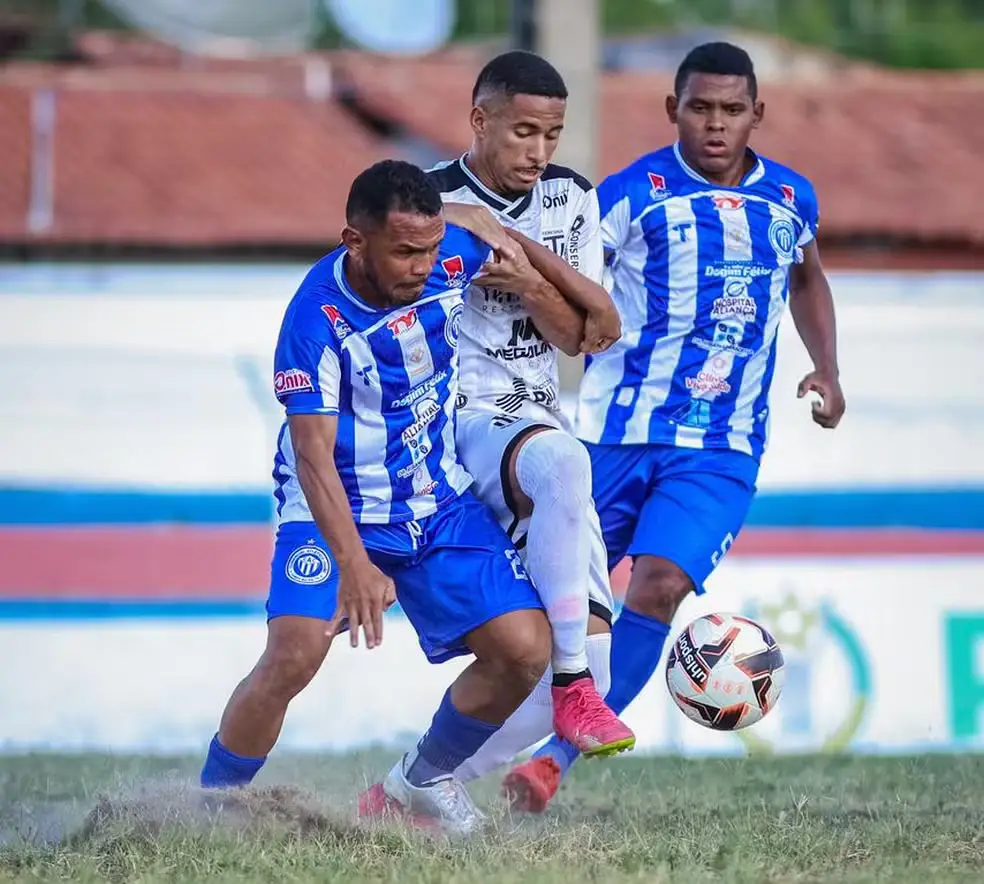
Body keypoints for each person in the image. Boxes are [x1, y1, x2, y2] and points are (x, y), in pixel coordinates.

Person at [504, 41, 847, 811]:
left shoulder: (792, 200)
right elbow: (573, 280)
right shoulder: (631, 195)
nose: (716, 125)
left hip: (722, 450)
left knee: (656, 589)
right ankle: (448, 761)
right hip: (614, 438)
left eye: (732, 111)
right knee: (539, 616)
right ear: (674, 111)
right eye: (700, 108)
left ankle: (553, 764)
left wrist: (827, 367)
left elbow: (808, 277)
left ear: (757, 114)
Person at [198, 159, 556, 837]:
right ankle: (208, 808)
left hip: (431, 497)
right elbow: (311, 456)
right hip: (332, 503)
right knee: (295, 651)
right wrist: (356, 562)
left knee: (524, 649)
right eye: (404, 252)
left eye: (430, 248)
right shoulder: (313, 320)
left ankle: (421, 778)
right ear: (353, 242)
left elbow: (484, 226)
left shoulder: (449, 246)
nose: (423, 266)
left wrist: (576, 301)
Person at [424, 49, 635, 775]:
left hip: (536, 409)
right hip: (457, 418)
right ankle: (571, 683)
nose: (539, 151)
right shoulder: (424, 197)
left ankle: (413, 787)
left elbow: (584, 334)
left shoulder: (570, 198)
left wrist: (522, 271)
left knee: (602, 662)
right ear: (480, 121)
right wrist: (455, 217)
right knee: (562, 459)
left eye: (552, 134)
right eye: (523, 133)